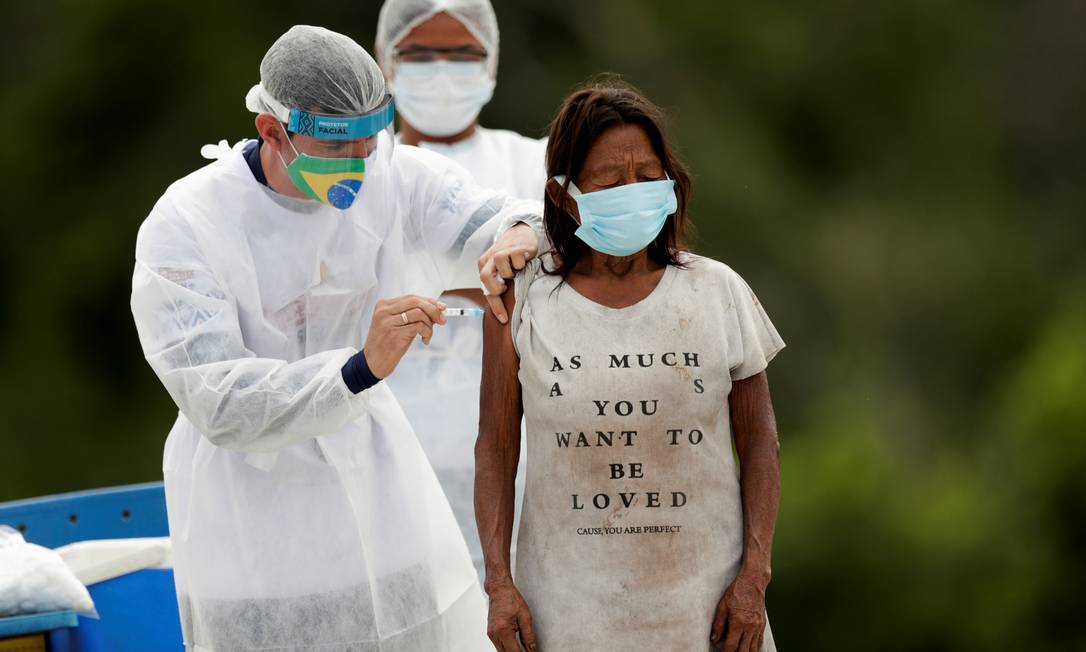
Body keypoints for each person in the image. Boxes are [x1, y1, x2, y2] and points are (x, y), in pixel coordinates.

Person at [130, 25, 542, 652]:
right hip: (250, 530)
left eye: (367, 144)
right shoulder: (188, 224)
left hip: (380, 503)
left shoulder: (392, 176)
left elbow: (502, 215)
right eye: (336, 147)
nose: (356, 165)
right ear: (272, 131)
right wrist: (357, 369)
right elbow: (217, 398)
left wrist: (516, 234)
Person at [475, 80, 785, 651]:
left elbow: (760, 439)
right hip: (567, 612)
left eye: (647, 177)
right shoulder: (524, 300)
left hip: (707, 609)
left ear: (671, 185)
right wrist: (498, 585)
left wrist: (754, 579)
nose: (633, 191)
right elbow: (495, 447)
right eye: (611, 181)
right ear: (566, 195)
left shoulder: (717, 291)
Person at [375, 0, 546, 578]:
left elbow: (574, 274)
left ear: (491, 63)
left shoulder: (538, 162)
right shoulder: (360, 171)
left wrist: (440, 282)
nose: (442, 69)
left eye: (462, 53)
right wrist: (490, 281)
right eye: (420, 54)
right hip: (391, 456)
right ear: (386, 62)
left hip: (525, 455)